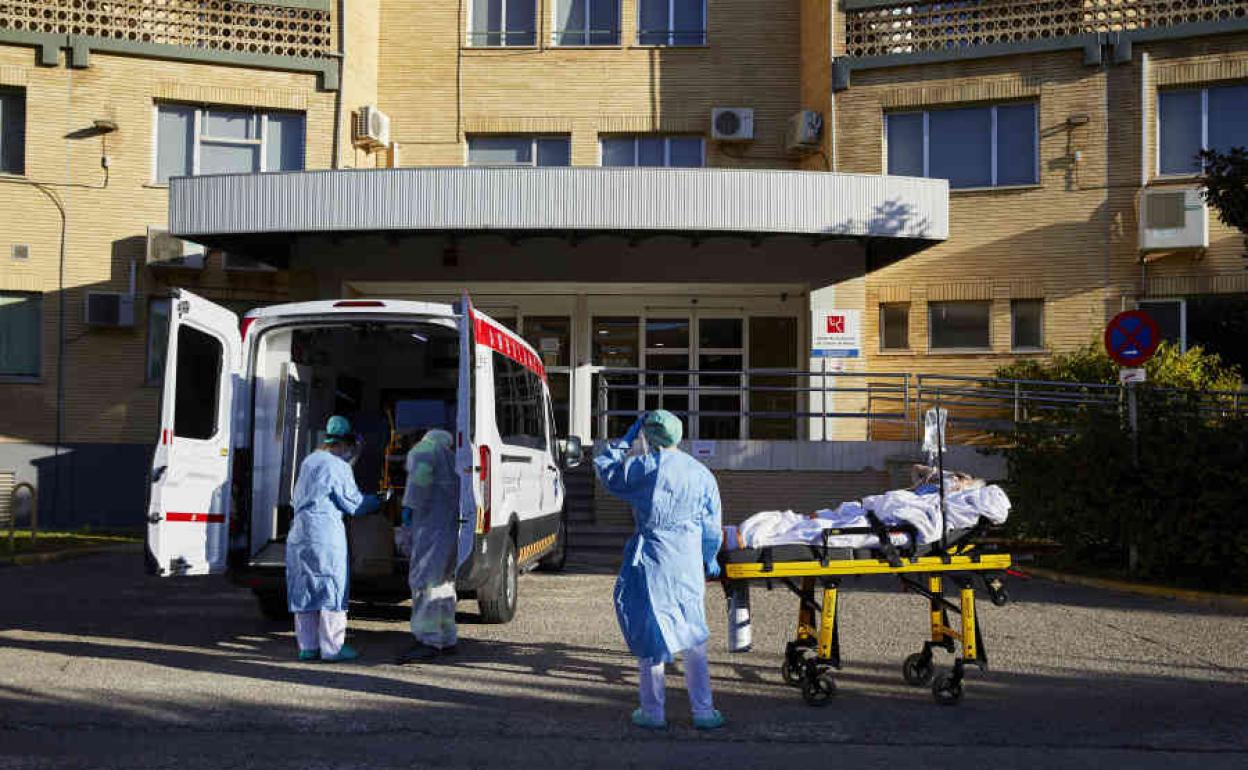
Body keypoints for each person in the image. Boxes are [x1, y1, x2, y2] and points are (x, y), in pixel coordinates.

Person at [594, 410, 726, 730]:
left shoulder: (644, 468)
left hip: (652, 559)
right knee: (694, 634)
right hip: (687, 561)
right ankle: (704, 711)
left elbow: (606, 471)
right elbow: (711, 527)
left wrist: (624, 442)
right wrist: (709, 558)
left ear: (648, 437)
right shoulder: (701, 473)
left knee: (651, 634)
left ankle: (653, 713)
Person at [286, 415, 382, 662]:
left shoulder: (309, 461)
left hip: (299, 533)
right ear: (345, 444)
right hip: (324, 533)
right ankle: (332, 648)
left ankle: (307, 647)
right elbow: (354, 505)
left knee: (305, 588)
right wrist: (380, 500)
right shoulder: (338, 466)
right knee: (331, 588)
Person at [397, 428, 461, 663]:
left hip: (430, 529)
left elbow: (418, 486)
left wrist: (407, 510)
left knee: (424, 584)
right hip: (450, 530)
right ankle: (446, 637)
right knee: (443, 585)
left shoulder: (425, 450)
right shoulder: (452, 457)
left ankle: (428, 640)